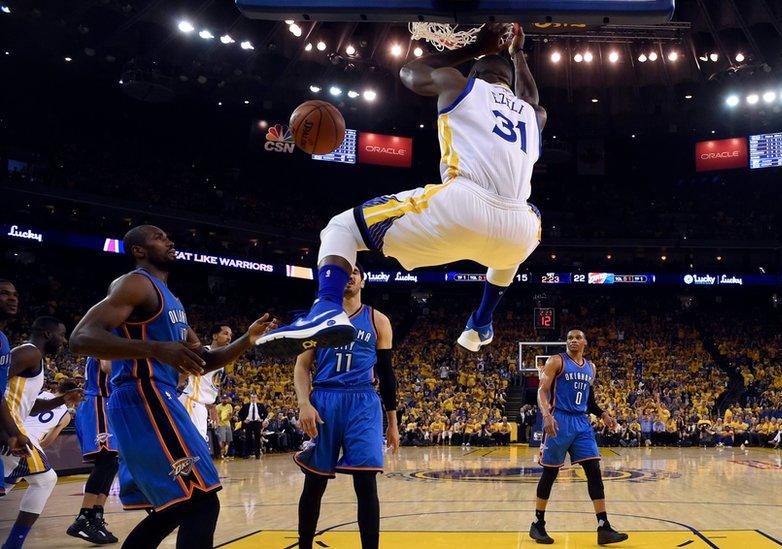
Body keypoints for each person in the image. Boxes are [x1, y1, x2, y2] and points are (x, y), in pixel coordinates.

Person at [256, 22, 545, 356]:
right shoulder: (533, 115)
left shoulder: (459, 84)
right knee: (527, 220)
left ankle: (326, 308)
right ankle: (481, 321)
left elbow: (410, 72)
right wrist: (518, 53)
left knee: (342, 228)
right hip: (518, 230)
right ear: (510, 81)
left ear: (475, 73)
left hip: (464, 204)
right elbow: (530, 97)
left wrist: (474, 48)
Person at [69, 225, 276, 549]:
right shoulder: (135, 283)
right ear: (139, 250)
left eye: (168, 237)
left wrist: (247, 339)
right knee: (200, 502)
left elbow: (205, 361)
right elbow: (80, 339)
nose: (170, 241)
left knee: (180, 506)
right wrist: (155, 348)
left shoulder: (173, 303)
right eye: (159, 237)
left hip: (160, 397)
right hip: (143, 394)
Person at [294, 265, 399, 549]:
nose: (350, 276)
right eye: (344, 272)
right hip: (325, 399)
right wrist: (304, 404)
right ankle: (304, 545)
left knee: (366, 483)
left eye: (355, 272)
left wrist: (393, 423)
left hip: (363, 400)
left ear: (363, 281)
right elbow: (302, 366)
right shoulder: (318, 317)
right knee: (314, 482)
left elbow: (387, 375)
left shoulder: (378, 320)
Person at [530, 330, 628, 545]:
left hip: (582, 423)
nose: (573, 340)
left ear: (585, 342)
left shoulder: (591, 367)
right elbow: (542, 390)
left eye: (577, 338)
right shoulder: (556, 361)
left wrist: (602, 413)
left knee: (594, 470)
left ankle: (604, 527)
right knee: (550, 472)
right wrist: (546, 414)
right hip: (559, 419)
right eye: (569, 338)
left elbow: (589, 399)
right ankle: (538, 524)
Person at [2, 316, 83, 549]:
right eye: (62, 334)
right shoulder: (30, 353)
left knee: (8, 484)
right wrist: (9, 431)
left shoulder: (34, 359)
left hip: (11, 425)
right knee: (45, 480)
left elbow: (29, 406)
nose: (64, 340)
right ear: (48, 334)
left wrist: (62, 399)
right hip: (9, 429)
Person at [67, 357, 121, 544]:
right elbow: (107, 366)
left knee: (112, 462)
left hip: (106, 403)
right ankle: (83, 518)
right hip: (97, 403)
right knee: (105, 460)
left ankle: (96, 517)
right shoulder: (103, 338)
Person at [0, 280, 32, 497]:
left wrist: (12, 433)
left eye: (15, 294)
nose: (12, 298)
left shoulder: (3, 339)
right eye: (4, 294)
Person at [180, 325, 232, 443]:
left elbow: (210, 386)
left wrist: (212, 406)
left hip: (201, 406)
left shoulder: (222, 362)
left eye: (230, 335)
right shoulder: (202, 352)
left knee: (198, 444)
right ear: (215, 336)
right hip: (192, 402)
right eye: (225, 333)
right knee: (194, 444)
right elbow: (183, 373)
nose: (229, 337)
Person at [238, 393, 268, 459]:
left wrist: (262, 418)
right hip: (248, 423)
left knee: (257, 438)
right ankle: (247, 454)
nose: (253, 398)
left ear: (256, 398)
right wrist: (244, 420)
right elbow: (240, 413)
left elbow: (266, 413)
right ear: (250, 398)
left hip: (257, 423)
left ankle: (257, 454)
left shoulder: (260, 405)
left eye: (254, 397)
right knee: (248, 439)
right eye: (252, 397)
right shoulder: (246, 405)